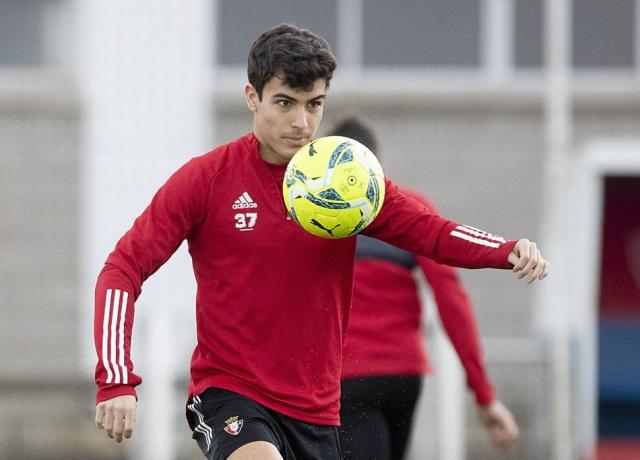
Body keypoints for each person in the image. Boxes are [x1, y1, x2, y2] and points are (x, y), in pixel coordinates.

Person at [92, 23, 549, 460]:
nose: (301, 122)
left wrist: (504, 249)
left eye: (314, 104)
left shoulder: (349, 185)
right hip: (230, 394)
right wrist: (116, 379)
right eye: (286, 103)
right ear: (252, 98)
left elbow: (430, 231)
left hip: (317, 411)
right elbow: (122, 268)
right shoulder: (207, 180)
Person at [329, 116, 519, 459]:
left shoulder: (315, 219)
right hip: (402, 377)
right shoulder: (411, 211)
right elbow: (452, 301)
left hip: (344, 378)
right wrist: (483, 394)